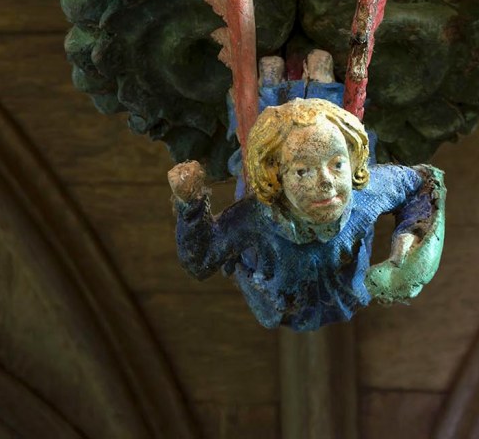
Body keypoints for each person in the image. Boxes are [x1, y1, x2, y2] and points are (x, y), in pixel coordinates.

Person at [168, 97, 444, 330]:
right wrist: (190, 205)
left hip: (347, 295)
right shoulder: (255, 218)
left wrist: (412, 245)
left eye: (337, 164)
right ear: (274, 175)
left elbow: (424, 183)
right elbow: (201, 259)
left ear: (355, 160)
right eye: (302, 171)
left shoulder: (370, 192)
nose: (325, 181)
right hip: (276, 305)